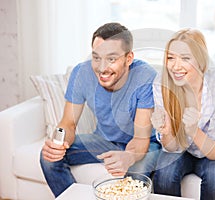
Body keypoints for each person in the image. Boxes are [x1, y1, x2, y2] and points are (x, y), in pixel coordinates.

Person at [40, 22, 161, 197]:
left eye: (111, 59)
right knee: (48, 158)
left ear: (128, 58)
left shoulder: (144, 76)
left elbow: (140, 138)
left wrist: (128, 156)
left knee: (136, 172)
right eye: (97, 58)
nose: (102, 68)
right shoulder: (81, 73)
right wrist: (58, 144)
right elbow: (68, 123)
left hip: (145, 145)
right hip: (104, 140)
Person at [151, 29, 215, 200]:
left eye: (185, 58)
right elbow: (170, 148)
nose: (175, 66)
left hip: (213, 150)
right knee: (164, 174)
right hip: (181, 149)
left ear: (200, 60)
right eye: (171, 58)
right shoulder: (161, 84)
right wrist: (167, 131)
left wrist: (193, 130)